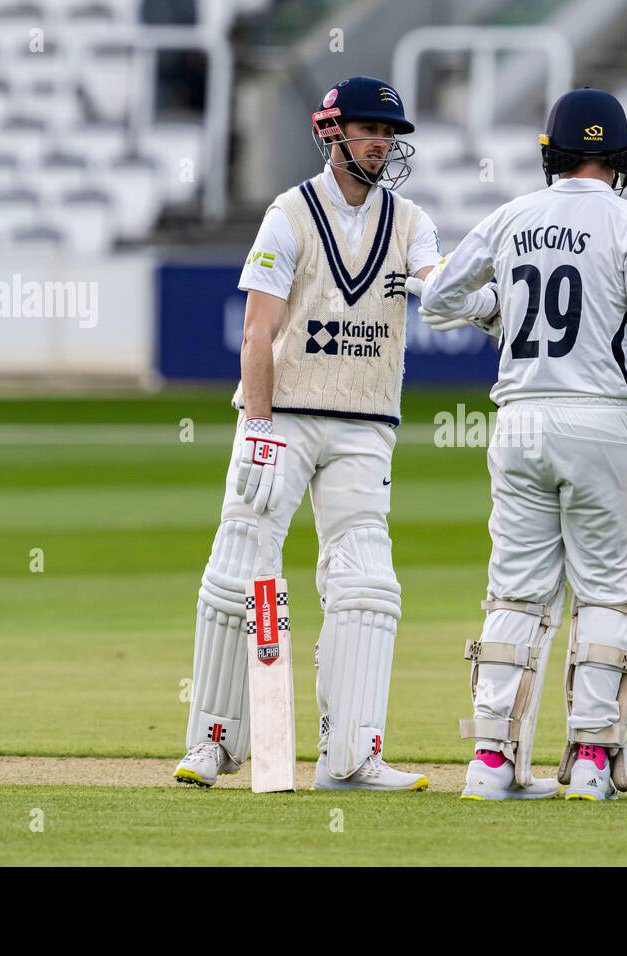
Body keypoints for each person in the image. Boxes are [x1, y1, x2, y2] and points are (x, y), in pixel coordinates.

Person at [409, 87, 627, 801]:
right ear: (621, 158)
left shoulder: (511, 216)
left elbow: (435, 303)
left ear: (549, 152)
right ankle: (590, 761)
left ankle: (490, 763)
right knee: (609, 595)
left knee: (516, 595)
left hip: (518, 422)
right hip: (598, 422)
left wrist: (497, 309)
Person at [174, 76, 446, 792]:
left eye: (389, 132)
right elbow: (257, 331)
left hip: (366, 423)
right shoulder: (288, 215)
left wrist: (473, 292)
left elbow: (435, 280)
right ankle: (213, 741)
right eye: (368, 130)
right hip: (284, 418)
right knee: (240, 565)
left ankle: (351, 756)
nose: (383, 143)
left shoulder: (412, 220)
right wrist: (258, 428)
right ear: (332, 133)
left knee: (366, 585)